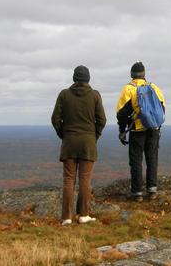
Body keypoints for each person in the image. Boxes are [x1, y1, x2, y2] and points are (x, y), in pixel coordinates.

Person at [51, 65, 106, 225]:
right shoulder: (95, 95)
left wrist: (64, 134)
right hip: (88, 143)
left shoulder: (64, 94)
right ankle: (84, 215)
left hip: (69, 142)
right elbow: (102, 120)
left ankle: (66, 218)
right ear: (88, 78)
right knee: (84, 179)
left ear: (74, 78)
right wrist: (93, 136)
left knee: (69, 179)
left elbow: (55, 119)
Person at [116, 62, 165, 202]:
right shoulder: (154, 87)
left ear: (132, 75)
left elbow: (121, 113)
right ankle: (152, 190)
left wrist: (122, 129)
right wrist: (157, 127)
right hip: (154, 129)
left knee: (136, 161)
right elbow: (162, 108)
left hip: (137, 130)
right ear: (144, 74)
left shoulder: (128, 89)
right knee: (152, 158)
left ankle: (137, 193)